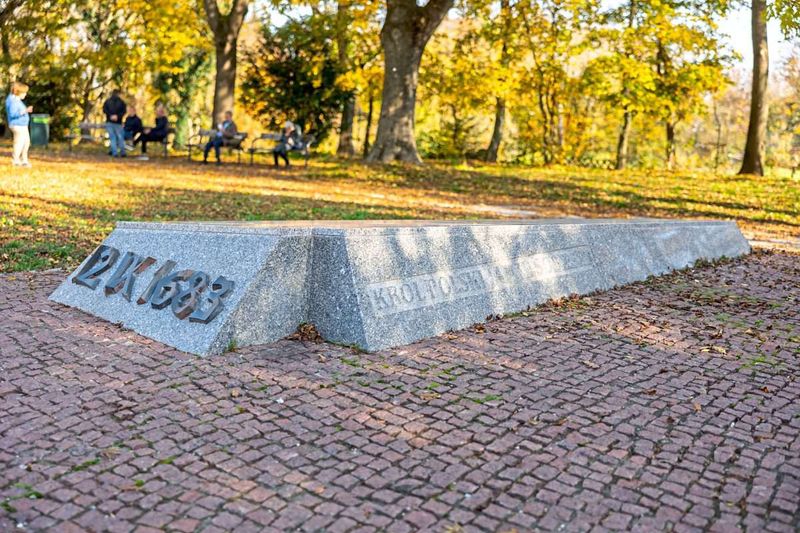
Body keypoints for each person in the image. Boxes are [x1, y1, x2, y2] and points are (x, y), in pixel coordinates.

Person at [5, 81, 33, 167]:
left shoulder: (16, 100)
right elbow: (13, 113)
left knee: (26, 142)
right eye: (24, 93)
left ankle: (24, 160)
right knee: (19, 143)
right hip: (17, 125)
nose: (25, 95)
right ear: (18, 92)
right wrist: (25, 111)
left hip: (22, 125)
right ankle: (16, 160)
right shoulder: (13, 101)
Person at [102, 89, 127, 157]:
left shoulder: (107, 101)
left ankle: (115, 153)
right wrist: (117, 116)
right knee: (120, 137)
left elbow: (104, 110)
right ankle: (122, 152)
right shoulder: (122, 102)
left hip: (110, 122)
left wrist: (110, 115)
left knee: (113, 138)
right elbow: (124, 111)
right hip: (118, 122)